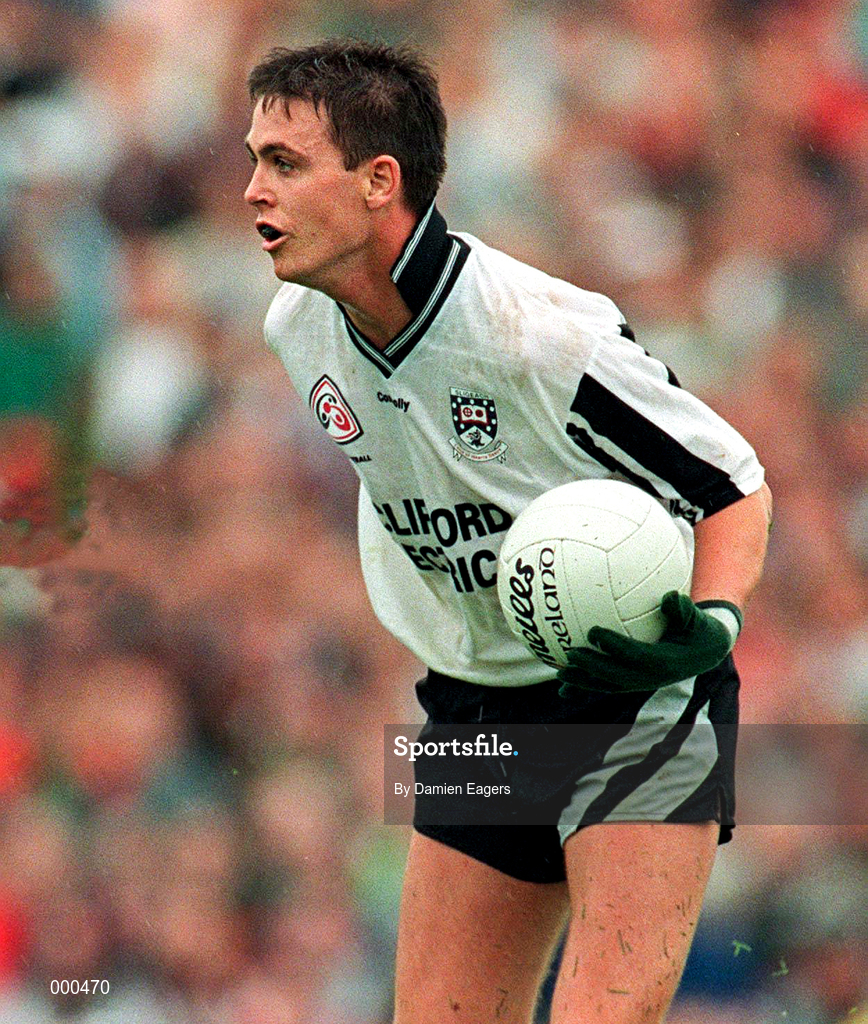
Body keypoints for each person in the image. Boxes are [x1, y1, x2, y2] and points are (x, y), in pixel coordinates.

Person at [244, 39, 772, 1024]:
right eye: (253, 160)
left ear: (377, 181)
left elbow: (734, 485)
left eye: (282, 163)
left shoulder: (541, 335)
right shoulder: (296, 329)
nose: (251, 191)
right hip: (472, 704)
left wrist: (715, 619)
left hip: (634, 699)